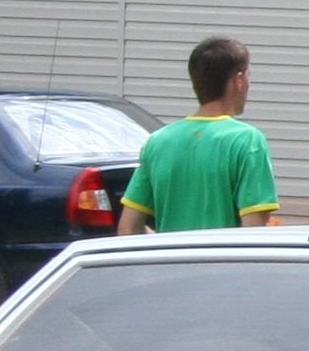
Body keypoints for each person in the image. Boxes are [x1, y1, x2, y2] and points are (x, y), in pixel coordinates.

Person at [118, 36, 279, 233]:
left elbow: (127, 228)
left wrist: (161, 243)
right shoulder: (247, 141)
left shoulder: (157, 142)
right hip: (223, 264)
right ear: (238, 80)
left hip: (171, 263)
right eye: (248, 76)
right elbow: (253, 231)